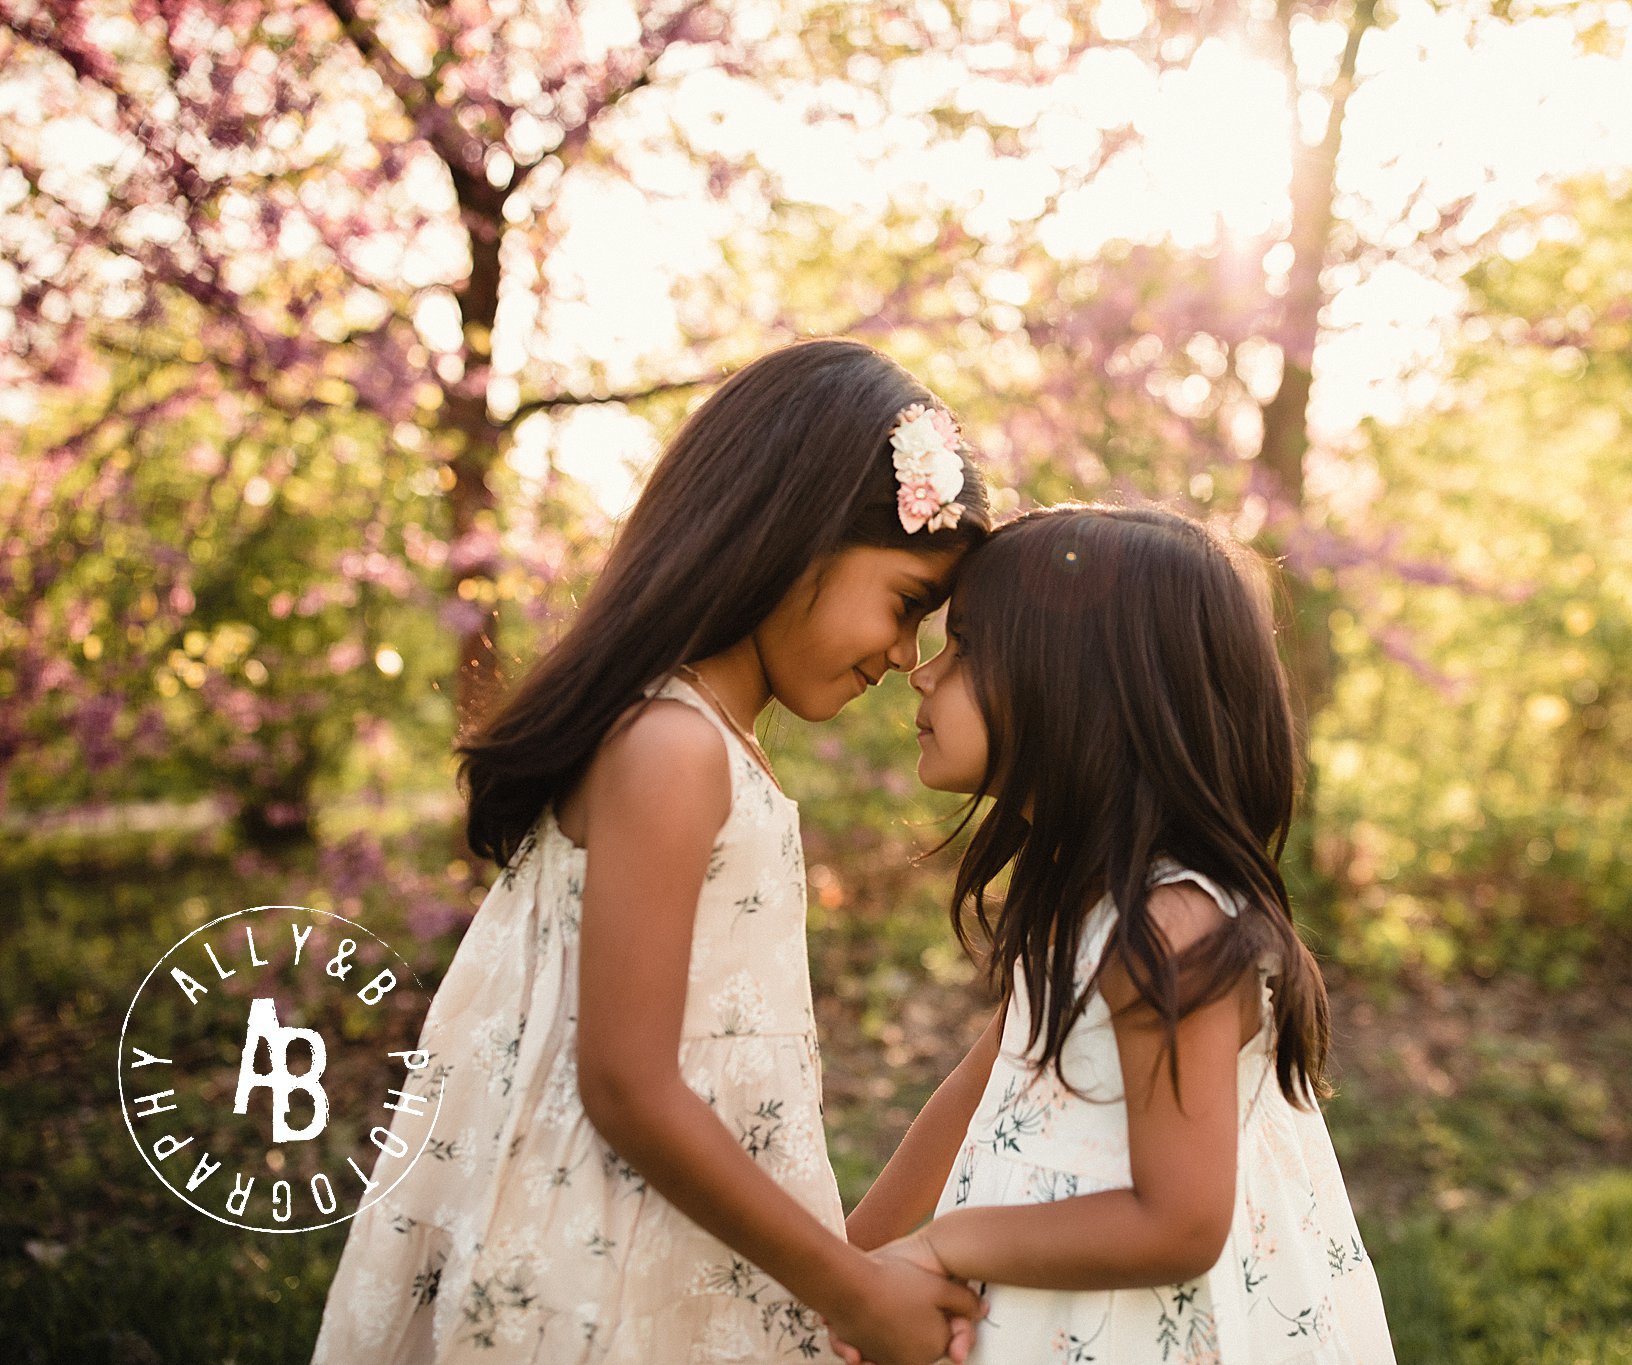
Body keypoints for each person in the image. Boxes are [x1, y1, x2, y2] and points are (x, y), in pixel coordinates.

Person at [312, 338, 993, 1365]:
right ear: (792, 536)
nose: (904, 659)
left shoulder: (705, 744)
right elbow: (627, 1084)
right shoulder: (672, 747)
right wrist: (848, 1290)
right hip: (600, 1257)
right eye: (904, 605)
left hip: (679, 1240)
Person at [839, 505, 1399, 1364]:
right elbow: (980, 1085)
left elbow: (1178, 1221)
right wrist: (847, 1263)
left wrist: (940, 1245)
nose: (921, 672)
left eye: (965, 649)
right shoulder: (1078, 891)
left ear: (1078, 686)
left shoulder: (1169, 926)